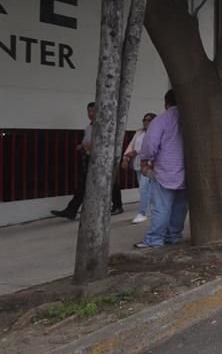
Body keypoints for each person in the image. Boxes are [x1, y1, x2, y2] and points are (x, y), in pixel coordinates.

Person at [51, 102, 123, 220]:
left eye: (93, 111)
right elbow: (87, 143)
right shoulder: (88, 127)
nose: (90, 114)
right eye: (89, 111)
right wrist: (82, 146)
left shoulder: (104, 126)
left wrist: (89, 145)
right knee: (83, 185)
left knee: (110, 182)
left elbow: (107, 143)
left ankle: (117, 205)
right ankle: (71, 210)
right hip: (90, 160)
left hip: (103, 160)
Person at [135, 90, 187, 249]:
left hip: (165, 170)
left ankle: (154, 239)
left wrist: (145, 161)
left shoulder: (161, 120)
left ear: (166, 103)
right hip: (187, 172)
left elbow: (150, 145)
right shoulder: (190, 118)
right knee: (180, 207)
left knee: (161, 207)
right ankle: (173, 236)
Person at [121, 112, 156, 224]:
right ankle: (151, 211)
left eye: (148, 120)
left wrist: (136, 151)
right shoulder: (139, 132)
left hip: (149, 164)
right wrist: (125, 158)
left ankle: (142, 213)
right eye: (144, 120)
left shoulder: (156, 132)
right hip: (137, 164)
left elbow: (152, 147)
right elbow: (131, 145)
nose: (145, 122)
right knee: (145, 188)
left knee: (144, 189)